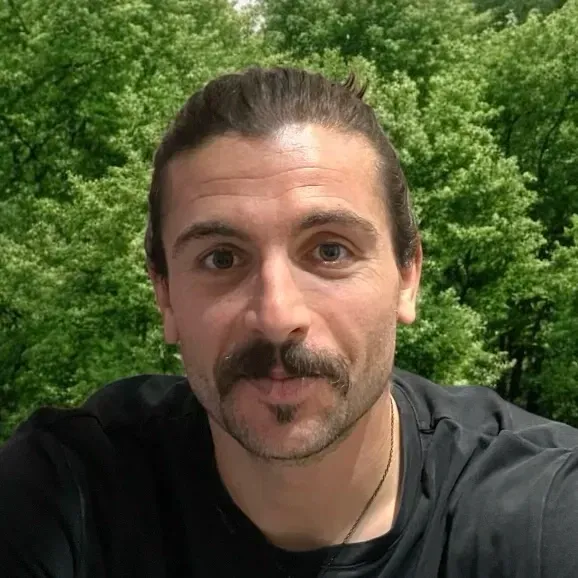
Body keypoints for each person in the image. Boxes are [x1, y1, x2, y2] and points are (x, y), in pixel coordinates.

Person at [0, 66, 577, 578]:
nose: (276, 317)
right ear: (166, 296)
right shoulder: (70, 495)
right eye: (221, 259)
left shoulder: (544, 511)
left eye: (330, 251)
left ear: (407, 276)